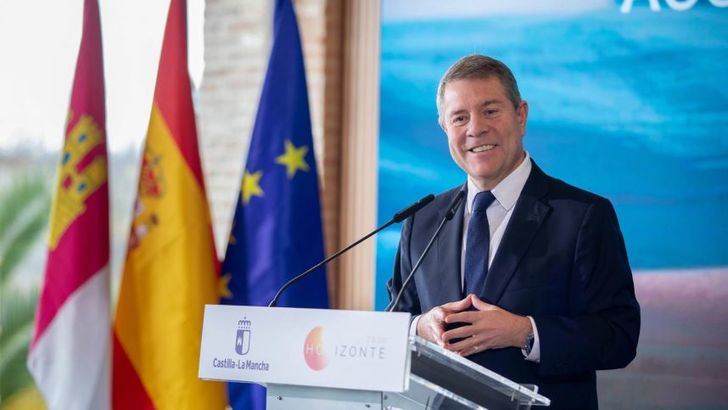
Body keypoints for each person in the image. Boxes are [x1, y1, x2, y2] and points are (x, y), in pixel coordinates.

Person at [388, 54, 640, 409]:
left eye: (490, 111)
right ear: (445, 127)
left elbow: (619, 336)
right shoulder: (422, 221)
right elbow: (395, 324)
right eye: (460, 117)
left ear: (521, 116)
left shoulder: (583, 216)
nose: (475, 128)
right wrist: (421, 328)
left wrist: (524, 332)